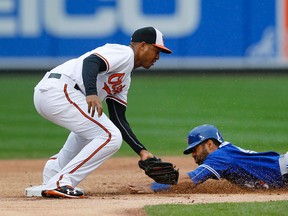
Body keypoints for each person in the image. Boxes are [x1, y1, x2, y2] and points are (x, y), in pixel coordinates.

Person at [32, 26, 172, 198]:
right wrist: (91, 92)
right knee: (110, 137)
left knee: (93, 133)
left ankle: (54, 173)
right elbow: (91, 62)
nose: (158, 56)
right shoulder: (124, 53)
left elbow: (118, 118)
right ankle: (61, 182)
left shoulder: (125, 78)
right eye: (156, 50)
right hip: (60, 90)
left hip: (56, 93)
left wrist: (142, 151)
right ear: (142, 46)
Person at [129, 124, 288, 194]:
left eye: (195, 148)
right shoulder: (224, 154)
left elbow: (191, 180)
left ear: (210, 144)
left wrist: (154, 186)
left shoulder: (219, 157)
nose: (193, 154)